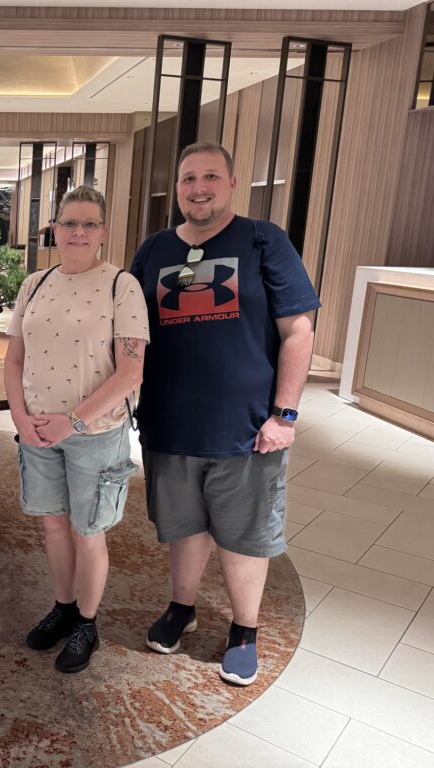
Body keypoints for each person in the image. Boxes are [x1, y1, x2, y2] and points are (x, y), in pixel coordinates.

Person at [130, 141, 319, 686]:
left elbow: (298, 330)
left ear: (232, 183)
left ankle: (244, 629)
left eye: (210, 176)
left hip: (247, 427)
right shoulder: (155, 249)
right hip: (169, 422)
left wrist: (284, 415)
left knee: (244, 534)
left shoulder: (264, 241)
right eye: (189, 178)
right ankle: (182, 608)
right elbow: (129, 329)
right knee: (184, 528)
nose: (198, 187)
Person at [5, 185, 148, 674]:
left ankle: (88, 622)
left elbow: (131, 372)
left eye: (89, 224)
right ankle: (63, 607)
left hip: (94, 432)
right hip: (40, 430)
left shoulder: (121, 285)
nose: (78, 232)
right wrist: (21, 418)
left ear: (104, 232)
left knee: (90, 531)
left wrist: (75, 421)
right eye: (70, 223)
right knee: (52, 523)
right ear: (55, 229)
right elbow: (14, 357)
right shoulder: (35, 283)